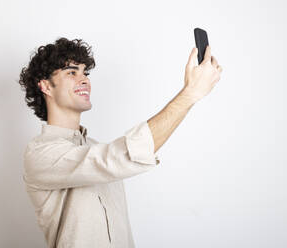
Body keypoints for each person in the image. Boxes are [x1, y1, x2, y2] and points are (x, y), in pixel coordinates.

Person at [18, 37, 222, 248]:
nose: (85, 80)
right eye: (72, 72)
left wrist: (192, 95)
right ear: (45, 86)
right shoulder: (40, 153)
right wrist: (189, 93)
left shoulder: (94, 147)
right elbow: (121, 156)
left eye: (85, 73)